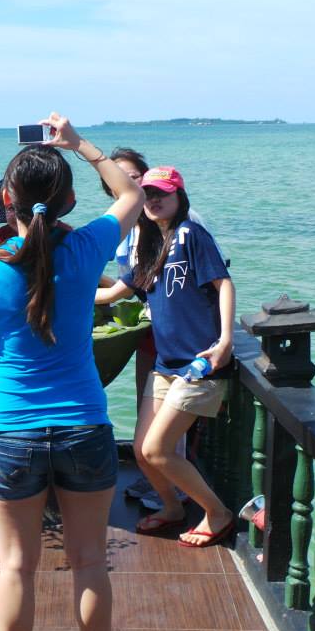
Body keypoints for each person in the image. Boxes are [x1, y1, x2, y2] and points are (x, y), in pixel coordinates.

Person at [0, 113, 144, 631]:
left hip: (12, 431)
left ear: (5, 201)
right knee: (89, 562)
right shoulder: (85, 248)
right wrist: (79, 144)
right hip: (84, 425)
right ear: (70, 203)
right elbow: (131, 194)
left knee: (16, 567)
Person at [95, 166, 235, 547]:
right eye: (148, 194)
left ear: (179, 197)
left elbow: (224, 284)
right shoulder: (149, 245)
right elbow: (116, 292)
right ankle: (172, 508)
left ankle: (218, 513)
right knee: (142, 452)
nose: (154, 200)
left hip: (198, 363)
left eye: (162, 193)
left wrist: (225, 341)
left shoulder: (191, 233)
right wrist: (65, 289)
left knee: (158, 449)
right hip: (165, 365)